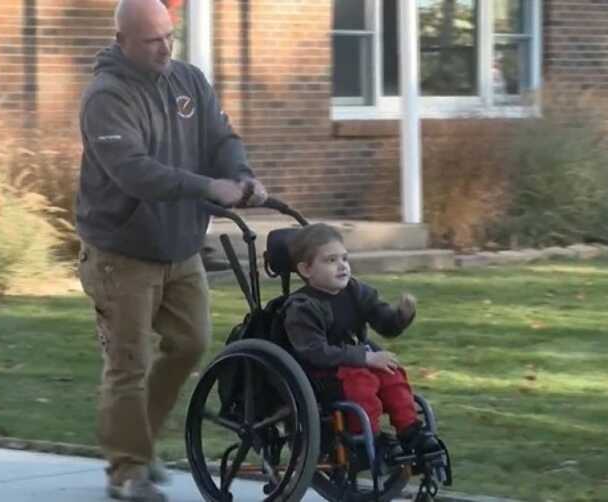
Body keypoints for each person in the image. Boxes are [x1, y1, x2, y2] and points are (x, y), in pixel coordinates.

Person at [76, 0, 267, 500]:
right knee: (128, 362)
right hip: (122, 253)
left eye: (169, 36)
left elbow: (221, 137)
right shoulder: (106, 97)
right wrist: (208, 187)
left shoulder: (189, 80)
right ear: (123, 42)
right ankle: (127, 471)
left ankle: (139, 444)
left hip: (179, 248)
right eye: (151, 40)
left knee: (190, 343)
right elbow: (135, 172)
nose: (165, 48)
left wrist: (240, 175)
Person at [282, 223, 441, 457]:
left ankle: (410, 430)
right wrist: (365, 358)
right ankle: (365, 440)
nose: (342, 266)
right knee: (360, 381)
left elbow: (384, 322)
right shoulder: (302, 307)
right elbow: (315, 352)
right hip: (320, 372)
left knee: (392, 373)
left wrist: (401, 316)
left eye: (344, 258)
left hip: (355, 362)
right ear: (306, 269)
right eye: (330, 260)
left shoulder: (356, 291)